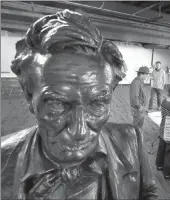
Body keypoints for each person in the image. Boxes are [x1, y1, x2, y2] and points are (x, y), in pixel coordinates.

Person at [1, 10, 158, 200]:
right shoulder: (3, 159)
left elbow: (148, 193)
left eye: (98, 103)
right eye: (57, 103)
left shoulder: (132, 141)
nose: (80, 131)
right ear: (28, 96)